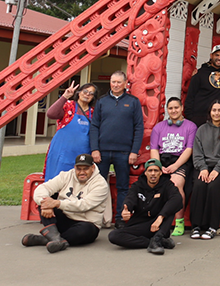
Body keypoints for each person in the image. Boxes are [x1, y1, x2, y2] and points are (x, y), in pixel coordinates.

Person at [23, 153, 111, 253]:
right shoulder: (66, 175)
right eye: (79, 169)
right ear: (74, 168)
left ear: (93, 168)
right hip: (64, 218)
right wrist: (46, 204)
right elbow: (43, 188)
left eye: (85, 168)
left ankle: (48, 239)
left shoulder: (100, 184)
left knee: (84, 232)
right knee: (44, 201)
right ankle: (56, 239)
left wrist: (57, 203)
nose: (82, 172)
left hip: (86, 223)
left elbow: (84, 205)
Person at [90, 69, 144, 222]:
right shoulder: (101, 101)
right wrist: (95, 149)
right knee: (98, 186)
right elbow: (94, 126)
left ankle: (120, 218)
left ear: (125, 83)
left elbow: (139, 127)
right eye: (113, 82)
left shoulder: (133, 102)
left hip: (124, 152)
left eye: (119, 82)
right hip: (102, 152)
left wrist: (134, 151)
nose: (115, 85)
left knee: (122, 187)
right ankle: (96, 218)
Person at [108, 159, 183, 254]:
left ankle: (157, 238)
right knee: (114, 236)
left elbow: (177, 200)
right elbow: (129, 199)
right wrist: (125, 211)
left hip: (159, 225)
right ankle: (154, 242)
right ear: (145, 173)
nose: (153, 174)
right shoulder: (137, 185)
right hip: (140, 224)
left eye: (156, 171)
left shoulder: (167, 185)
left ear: (160, 173)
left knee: (171, 208)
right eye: (150, 171)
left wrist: (160, 217)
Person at [149, 96, 198, 236]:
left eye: (176, 107)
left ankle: (179, 221)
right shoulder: (159, 127)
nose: (174, 110)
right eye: (170, 108)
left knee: (176, 184)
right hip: (162, 160)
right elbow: (154, 149)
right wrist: (157, 167)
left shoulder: (191, 126)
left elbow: (189, 149)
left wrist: (176, 166)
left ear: (181, 108)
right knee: (151, 182)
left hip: (180, 160)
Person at [188, 101, 220, 240]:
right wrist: (203, 168)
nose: (216, 113)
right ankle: (196, 226)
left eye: (219, 110)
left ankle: (212, 226)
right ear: (210, 112)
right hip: (203, 166)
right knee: (199, 185)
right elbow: (197, 152)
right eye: (214, 110)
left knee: (214, 187)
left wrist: (217, 170)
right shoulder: (202, 129)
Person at [43, 80, 96, 182]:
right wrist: (65, 96)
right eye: (85, 91)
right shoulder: (68, 106)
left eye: (91, 93)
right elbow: (51, 114)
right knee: (56, 180)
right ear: (79, 92)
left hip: (82, 153)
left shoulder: (93, 112)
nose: (87, 94)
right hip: (62, 151)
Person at [186, 44, 220, 127]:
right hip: (199, 116)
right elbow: (190, 96)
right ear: (211, 55)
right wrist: (190, 117)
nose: (219, 58)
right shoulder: (200, 73)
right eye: (216, 55)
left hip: (217, 117)